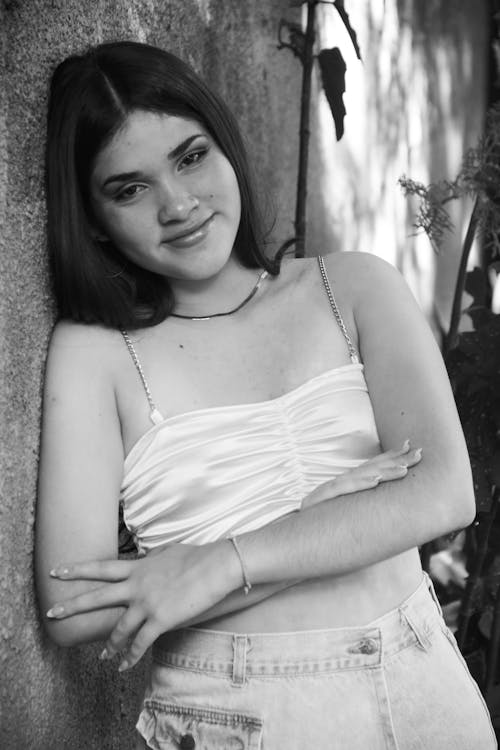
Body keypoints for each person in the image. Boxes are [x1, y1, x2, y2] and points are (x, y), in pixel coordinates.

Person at [35, 40, 496, 749]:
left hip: (421, 686)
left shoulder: (353, 288)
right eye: (130, 188)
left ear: (225, 145)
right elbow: (72, 608)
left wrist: (219, 563)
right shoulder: (95, 353)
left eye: (190, 157)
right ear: (94, 219)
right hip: (233, 715)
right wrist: (330, 518)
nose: (179, 204)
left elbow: (443, 496)